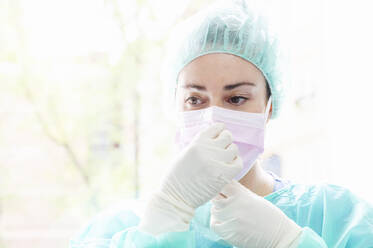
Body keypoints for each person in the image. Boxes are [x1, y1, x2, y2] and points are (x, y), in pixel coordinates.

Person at [70, 0, 373, 247]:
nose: (213, 118)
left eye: (237, 99)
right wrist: (167, 216)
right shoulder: (119, 229)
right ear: (175, 106)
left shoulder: (336, 216)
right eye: (195, 100)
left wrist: (290, 242)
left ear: (269, 106)